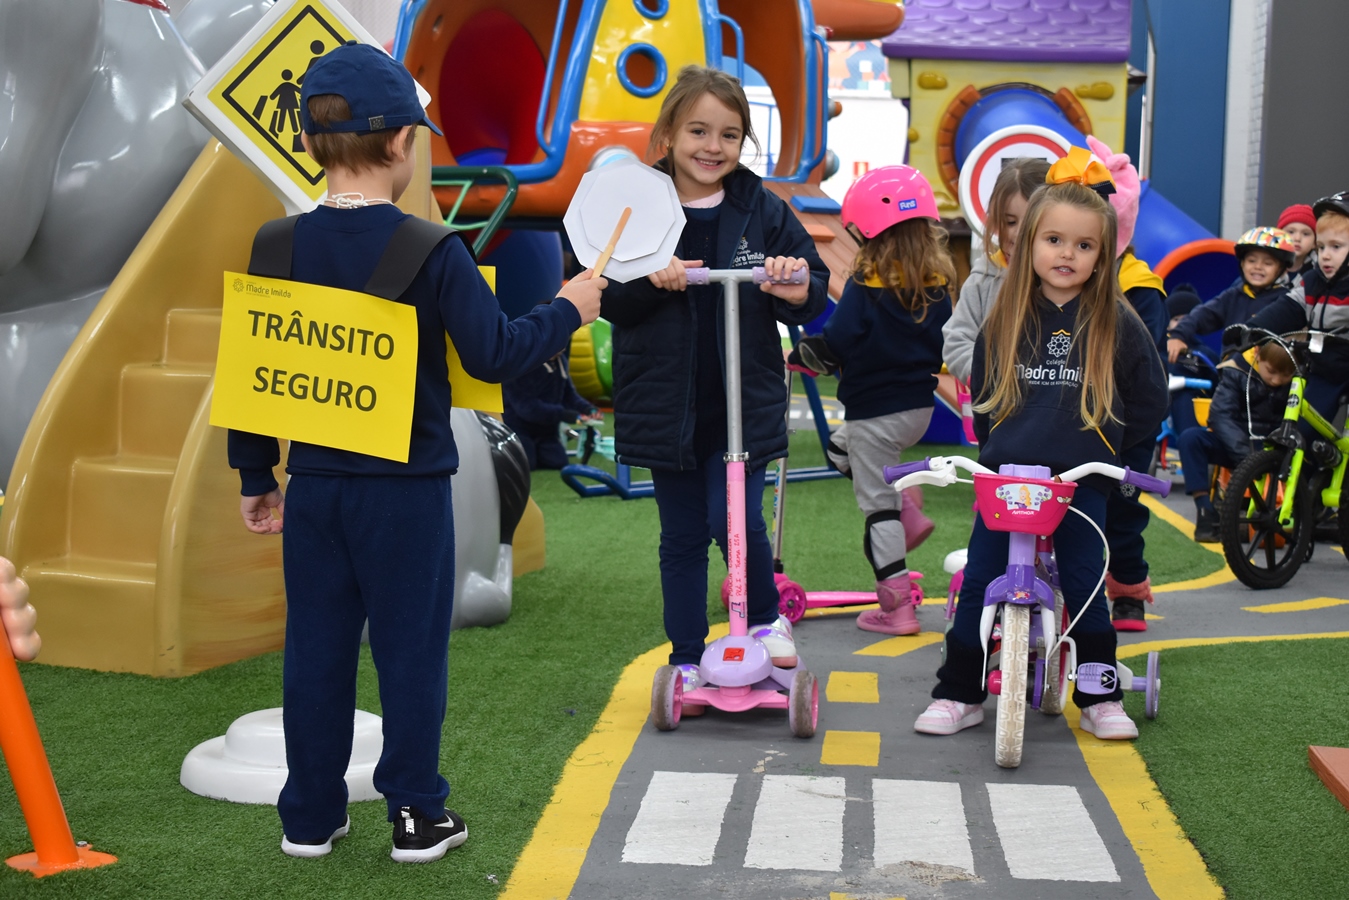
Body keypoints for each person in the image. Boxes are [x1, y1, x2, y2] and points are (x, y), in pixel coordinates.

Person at [226, 43, 605, 863]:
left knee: (315, 654)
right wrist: (568, 308)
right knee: (409, 657)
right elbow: (496, 355)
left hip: (314, 488)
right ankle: (415, 814)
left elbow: (256, 373)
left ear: (310, 142)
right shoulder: (435, 250)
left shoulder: (274, 244)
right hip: (406, 493)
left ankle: (309, 818)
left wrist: (256, 474)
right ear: (402, 143)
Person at [913, 149, 1168, 741]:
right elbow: (984, 393)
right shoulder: (1005, 314)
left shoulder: (1118, 321)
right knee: (980, 583)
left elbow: (1149, 399)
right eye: (1054, 240)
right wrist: (996, 449)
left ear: (1103, 254)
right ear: (1028, 242)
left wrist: (1113, 459)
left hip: (1081, 484)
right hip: (1007, 481)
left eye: (1084, 245)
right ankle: (959, 692)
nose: (1067, 254)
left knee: (1085, 585)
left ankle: (1099, 696)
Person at [599, 65, 828, 700]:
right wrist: (652, 278)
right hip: (665, 403)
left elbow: (810, 287)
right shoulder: (638, 207)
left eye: (729, 135)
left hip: (740, 403)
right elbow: (609, 297)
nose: (712, 146)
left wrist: (795, 285)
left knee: (737, 521)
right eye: (698, 131)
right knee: (680, 535)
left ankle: (765, 620)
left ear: (743, 142)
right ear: (669, 134)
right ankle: (685, 655)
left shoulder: (761, 207)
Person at [804, 166, 954, 636]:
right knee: (838, 449)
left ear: (867, 230)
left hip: (875, 412)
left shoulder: (868, 281)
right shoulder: (936, 281)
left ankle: (897, 607)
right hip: (918, 409)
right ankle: (905, 501)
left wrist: (806, 354)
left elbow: (838, 339)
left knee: (876, 508)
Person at [1084, 136, 1169, 631]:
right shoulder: (1067, 278)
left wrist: (1131, 427)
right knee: (1073, 511)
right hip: (1075, 419)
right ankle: (1074, 589)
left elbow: (1148, 367)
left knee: (1123, 510)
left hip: (1128, 424)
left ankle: (1130, 588)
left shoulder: (1139, 285)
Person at [942, 157, 1050, 384]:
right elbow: (957, 341)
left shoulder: (1064, 280)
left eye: (1032, 222)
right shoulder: (983, 280)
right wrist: (987, 377)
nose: (1018, 233)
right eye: (1010, 222)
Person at [1248, 192, 1349, 430]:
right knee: (1301, 431)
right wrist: (1250, 329)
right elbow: (1288, 308)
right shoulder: (1313, 281)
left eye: (1336, 247)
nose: (1325, 255)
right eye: (1321, 247)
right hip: (1325, 370)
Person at [1178, 341, 1294, 544]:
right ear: (1257, 354)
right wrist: (1248, 459)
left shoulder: (1299, 380)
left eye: (1285, 375)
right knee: (1191, 439)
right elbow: (1220, 416)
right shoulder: (1235, 370)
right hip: (1239, 447)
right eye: (1271, 371)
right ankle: (1205, 510)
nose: (1277, 380)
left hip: (1274, 450)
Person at [1165, 227, 1296, 366]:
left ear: (1282, 269)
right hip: (1229, 373)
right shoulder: (1234, 295)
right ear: (1242, 264)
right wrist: (1178, 335)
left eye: (1268, 263)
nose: (1258, 267)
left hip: (1267, 373)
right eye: (1251, 261)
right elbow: (1203, 314)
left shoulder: (1286, 301)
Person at [502, 349, 600, 470]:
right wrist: (567, 415)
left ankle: (536, 452)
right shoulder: (522, 364)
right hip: (519, 427)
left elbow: (569, 394)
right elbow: (527, 408)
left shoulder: (560, 361)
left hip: (546, 429)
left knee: (558, 462)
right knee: (527, 463)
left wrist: (588, 409)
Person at [1278, 203, 1318, 285]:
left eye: (1305, 234)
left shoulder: (1319, 272)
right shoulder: (1266, 267)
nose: (1297, 238)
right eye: (1291, 232)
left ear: (1314, 242)